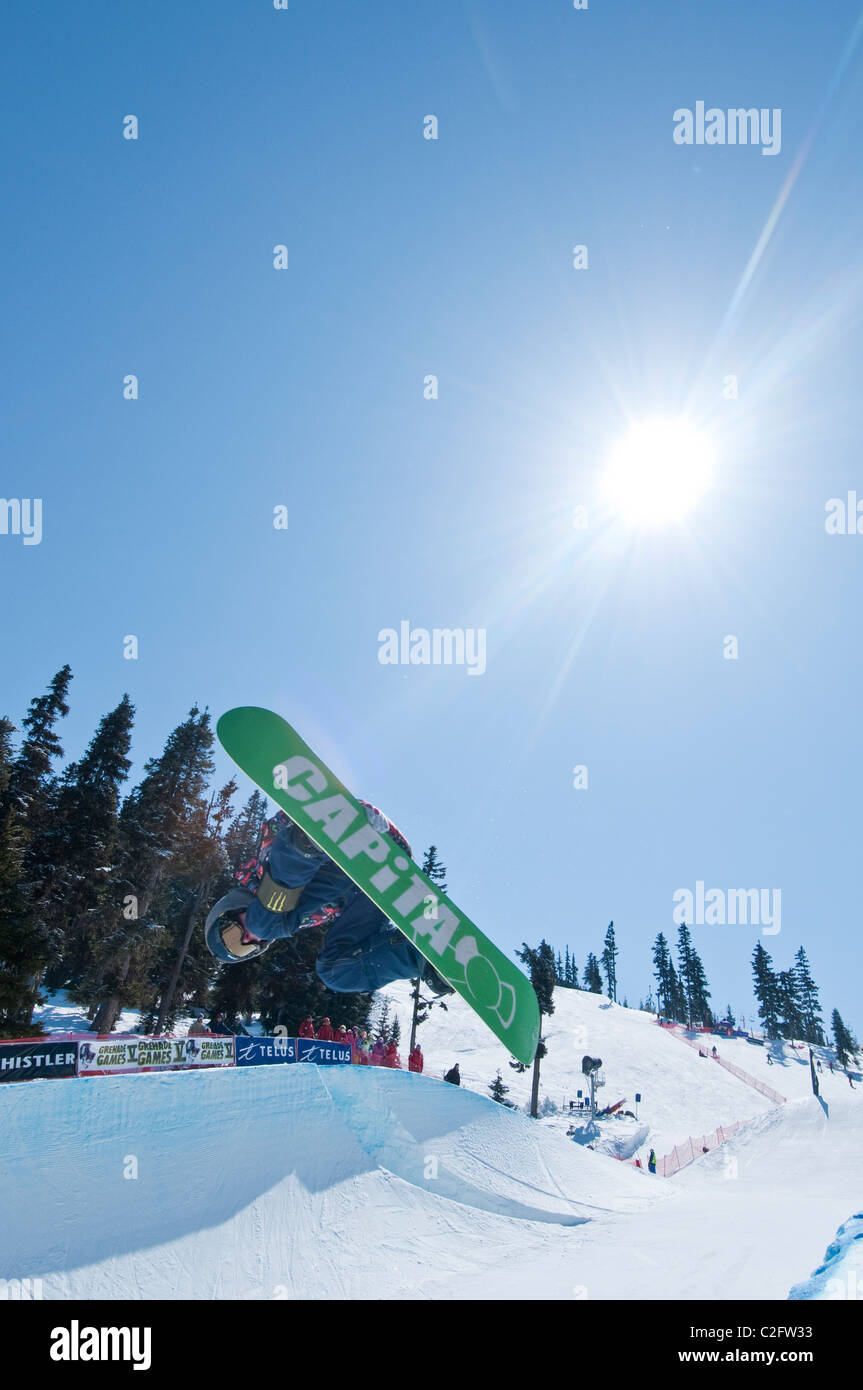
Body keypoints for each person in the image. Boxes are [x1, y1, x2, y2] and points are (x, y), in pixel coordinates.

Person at [204, 807, 454, 1001]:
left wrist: (320, 819)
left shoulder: (259, 869)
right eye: (245, 950)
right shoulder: (297, 918)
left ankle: (313, 839)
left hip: (333, 831)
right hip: (373, 880)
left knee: (263, 922)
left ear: (229, 909)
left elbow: (279, 825)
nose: (248, 941)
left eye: (233, 935)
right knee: (334, 973)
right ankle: (424, 959)